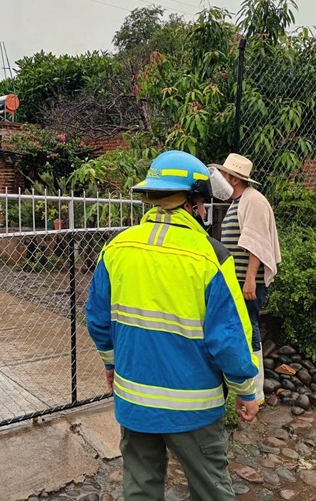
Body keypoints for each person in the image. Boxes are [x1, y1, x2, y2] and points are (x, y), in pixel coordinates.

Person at [86, 150, 259, 501]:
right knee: (212, 492)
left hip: (134, 402)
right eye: (204, 202)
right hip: (194, 409)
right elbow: (230, 339)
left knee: (141, 489)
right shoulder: (211, 257)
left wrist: (110, 364)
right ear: (193, 200)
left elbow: (97, 319)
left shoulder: (117, 248)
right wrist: (246, 390)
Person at [212, 154, 281, 406]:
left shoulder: (253, 201)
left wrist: (250, 278)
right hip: (238, 281)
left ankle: (256, 392)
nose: (220, 180)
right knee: (243, 329)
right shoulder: (239, 201)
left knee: (249, 329)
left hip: (246, 282)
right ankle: (247, 389)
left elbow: (257, 242)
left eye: (224, 176)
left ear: (234, 178)